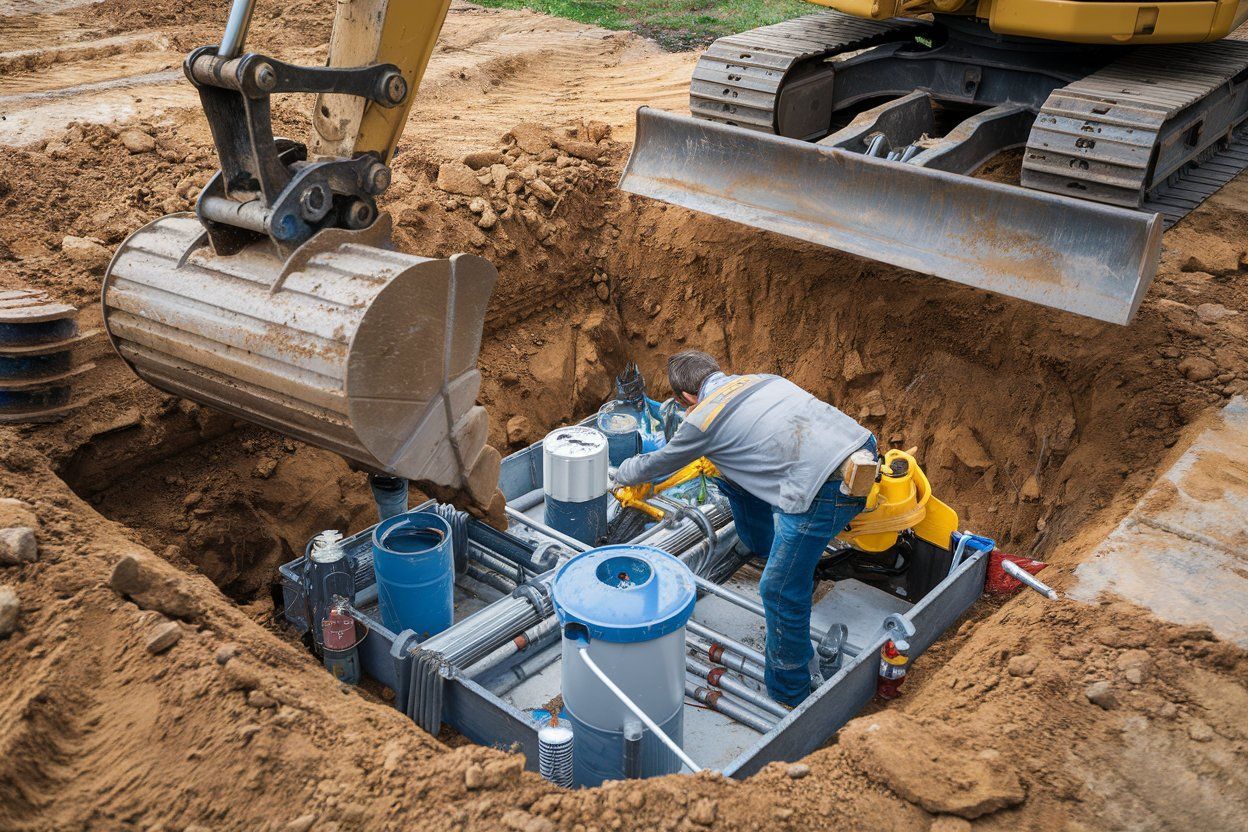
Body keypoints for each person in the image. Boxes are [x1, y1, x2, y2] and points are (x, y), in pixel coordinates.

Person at [614, 350, 876, 707]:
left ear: (685, 398)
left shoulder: (703, 420)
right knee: (731, 477)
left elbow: (658, 463)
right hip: (861, 446)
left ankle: (790, 691)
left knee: (779, 589)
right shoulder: (763, 378)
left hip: (828, 487)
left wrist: (621, 472)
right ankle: (762, 545)